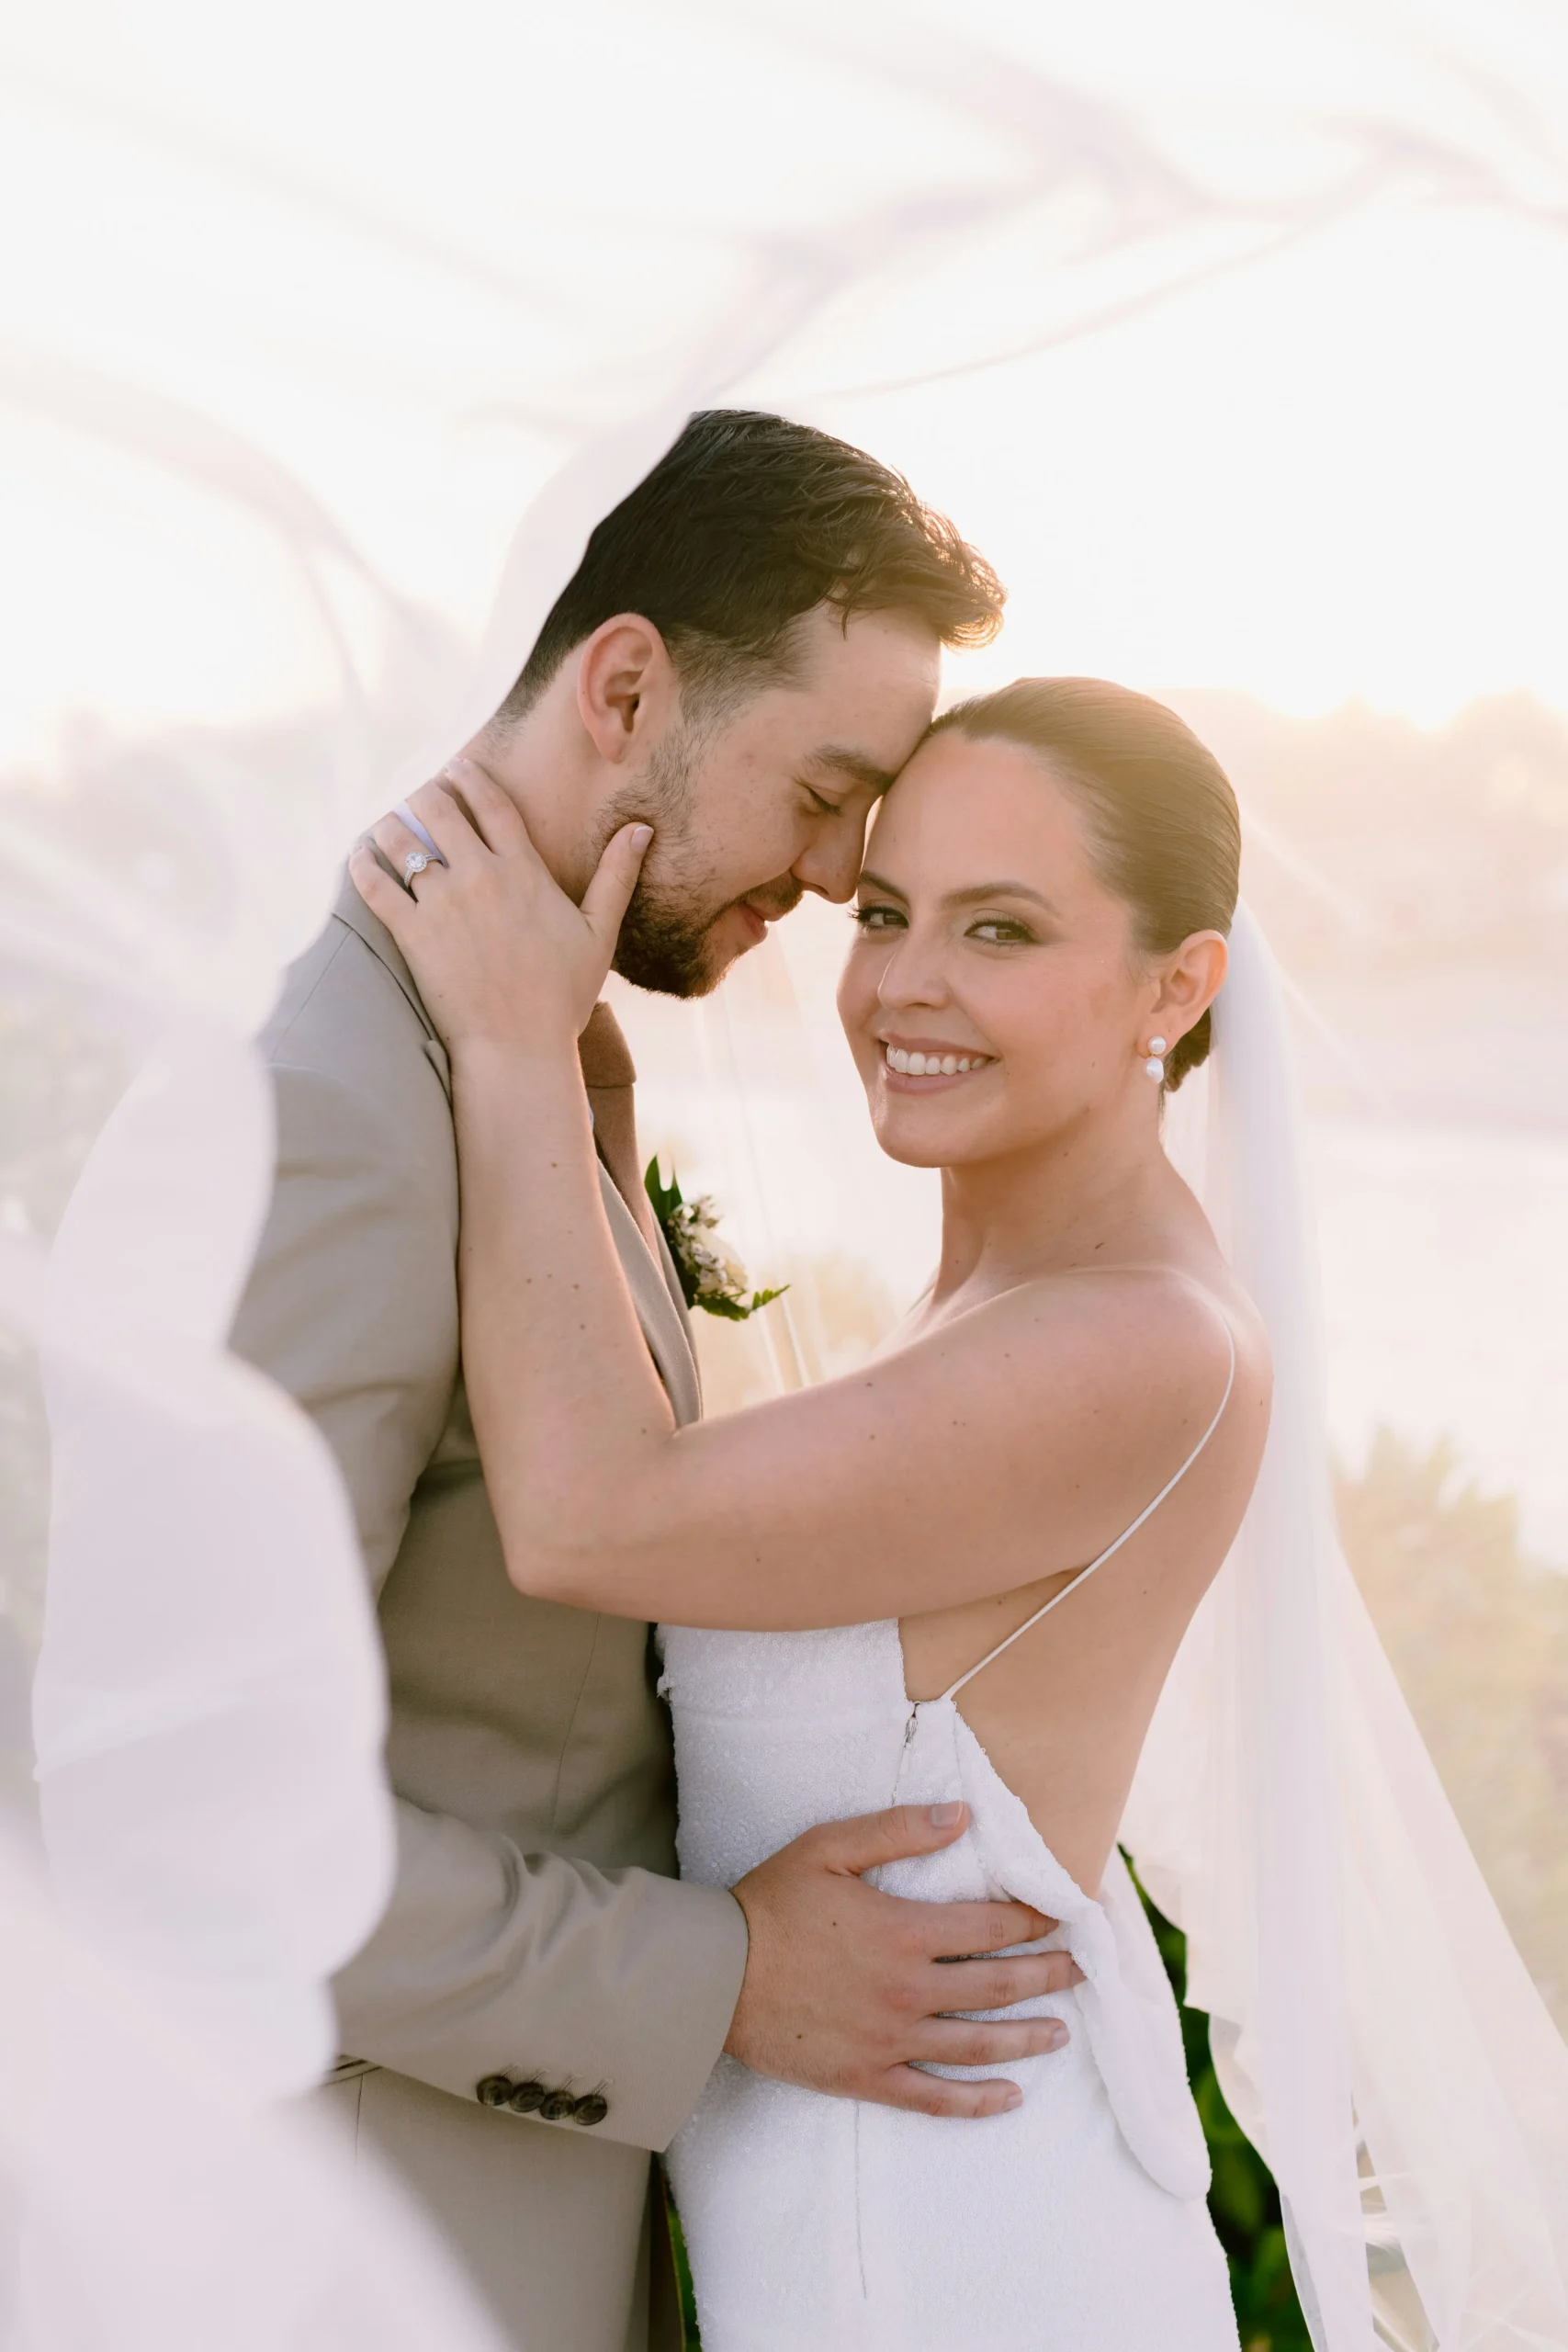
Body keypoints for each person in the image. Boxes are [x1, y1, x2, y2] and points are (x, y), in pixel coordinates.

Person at [230, 411, 1096, 2352]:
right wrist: (716, 1979)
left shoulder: (514, 1043)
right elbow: (185, 1800)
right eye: (827, 785)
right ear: (626, 682)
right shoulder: (339, 1095)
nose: (837, 868)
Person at [351, 676, 1277, 2348]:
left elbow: (585, 1517)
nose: (905, 984)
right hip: (862, 2233)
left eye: (999, 930)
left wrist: (506, 1043)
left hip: (954, 2262)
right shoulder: (994, 1310)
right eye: (881, 912)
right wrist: (590, 1078)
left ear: (1176, 985)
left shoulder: (1136, 1341)